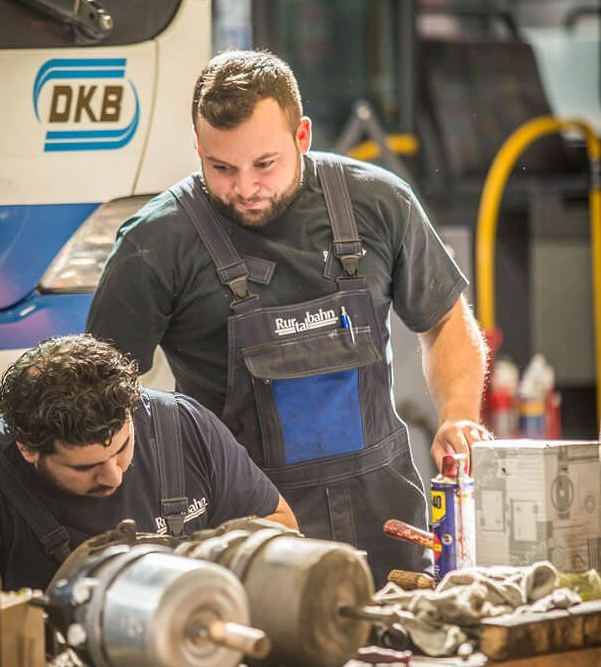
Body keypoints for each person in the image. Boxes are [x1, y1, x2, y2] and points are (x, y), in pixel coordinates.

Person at [86, 50, 491, 584]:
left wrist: (459, 414)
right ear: (199, 149)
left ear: (302, 136)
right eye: (221, 168)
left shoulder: (379, 203)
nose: (245, 188)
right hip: (245, 536)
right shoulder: (154, 244)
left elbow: (443, 320)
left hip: (387, 521)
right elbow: (98, 395)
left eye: (264, 164)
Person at [0, 334, 296, 590]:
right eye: (84, 467)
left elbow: (280, 525)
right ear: (28, 448)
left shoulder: (183, 425)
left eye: (122, 448)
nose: (113, 477)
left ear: (131, 408)